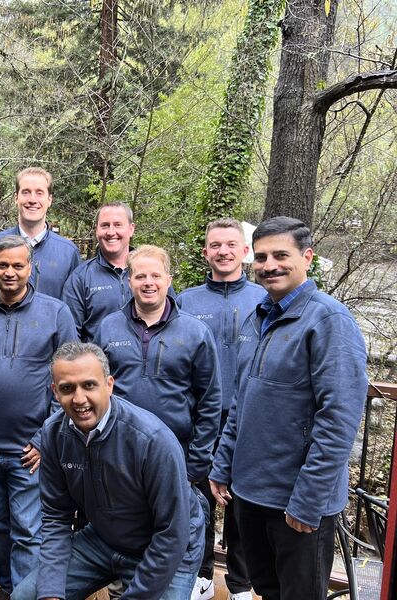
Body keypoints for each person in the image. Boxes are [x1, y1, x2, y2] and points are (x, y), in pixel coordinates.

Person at [209, 216, 368, 600]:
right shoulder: (259, 317)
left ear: (307, 257)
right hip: (250, 494)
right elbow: (241, 401)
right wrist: (223, 464)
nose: (269, 265)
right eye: (261, 257)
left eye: (281, 255)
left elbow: (339, 420)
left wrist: (308, 499)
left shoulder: (328, 321)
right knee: (266, 590)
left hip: (297, 503)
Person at [12, 342, 204, 600]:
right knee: (26, 596)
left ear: (109, 385)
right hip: (103, 539)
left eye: (89, 385)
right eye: (67, 389)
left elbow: (172, 533)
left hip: (167, 547)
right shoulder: (54, 434)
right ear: (55, 392)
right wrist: (50, 594)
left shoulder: (152, 440)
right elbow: (56, 517)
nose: (79, 399)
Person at [0, 235, 78, 597]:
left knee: (28, 529)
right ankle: (6, 587)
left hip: (30, 449)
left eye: (17, 265)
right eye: (2, 265)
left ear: (30, 267)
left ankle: (24, 592)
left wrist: (45, 437)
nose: (9, 272)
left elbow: (68, 380)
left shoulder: (55, 313)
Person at [177, 218, 260, 600]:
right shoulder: (187, 301)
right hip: (201, 415)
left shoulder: (262, 300)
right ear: (205, 252)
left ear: (245, 251)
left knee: (243, 499)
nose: (223, 251)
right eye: (215, 245)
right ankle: (202, 573)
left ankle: (241, 582)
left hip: (249, 416)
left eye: (231, 245)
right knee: (200, 495)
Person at [94, 245, 222, 486]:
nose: (148, 282)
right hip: (118, 451)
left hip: (176, 451)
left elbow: (210, 401)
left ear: (168, 280)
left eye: (155, 275)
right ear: (129, 281)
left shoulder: (196, 332)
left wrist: (197, 463)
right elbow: (96, 392)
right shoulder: (108, 328)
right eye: (140, 276)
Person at [0, 167, 80, 300]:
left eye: (39, 193)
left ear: (49, 200)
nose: (32, 199)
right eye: (26, 192)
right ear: (16, 198)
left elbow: (73, 306)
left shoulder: (68, 252)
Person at [63, 202, 134, 342]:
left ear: (131, 229)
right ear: (96, 230)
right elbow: (70, 336)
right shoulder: (80, 278)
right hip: (97, 362)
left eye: (118, 225)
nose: (111, 232)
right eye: (105, 225)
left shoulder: (151, 273)